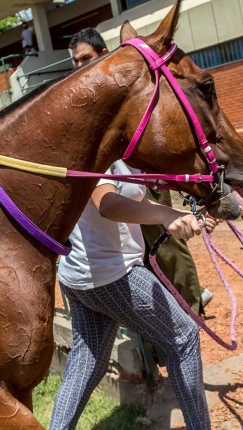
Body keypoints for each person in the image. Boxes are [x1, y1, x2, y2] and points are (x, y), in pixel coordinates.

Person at [50, 160, 217, 430]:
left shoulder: (125, 154)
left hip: (81, 276)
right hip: (112, 275)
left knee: (86, 362)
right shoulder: (104, 151)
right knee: (184, 337)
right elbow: (108, 204)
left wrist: (176, 214)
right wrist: (165, 217)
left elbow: (134, 198)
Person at [68, 27, 213, 313]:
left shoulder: (124, 84)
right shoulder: (84, 96)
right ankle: (171, 312)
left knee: (166, 245)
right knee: (148, 245)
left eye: (86, 59)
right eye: (76, 62)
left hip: (144, 175)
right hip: (118, 186)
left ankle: (190, 304)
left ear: (103, 55)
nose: (80, 67)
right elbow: (106, 203)